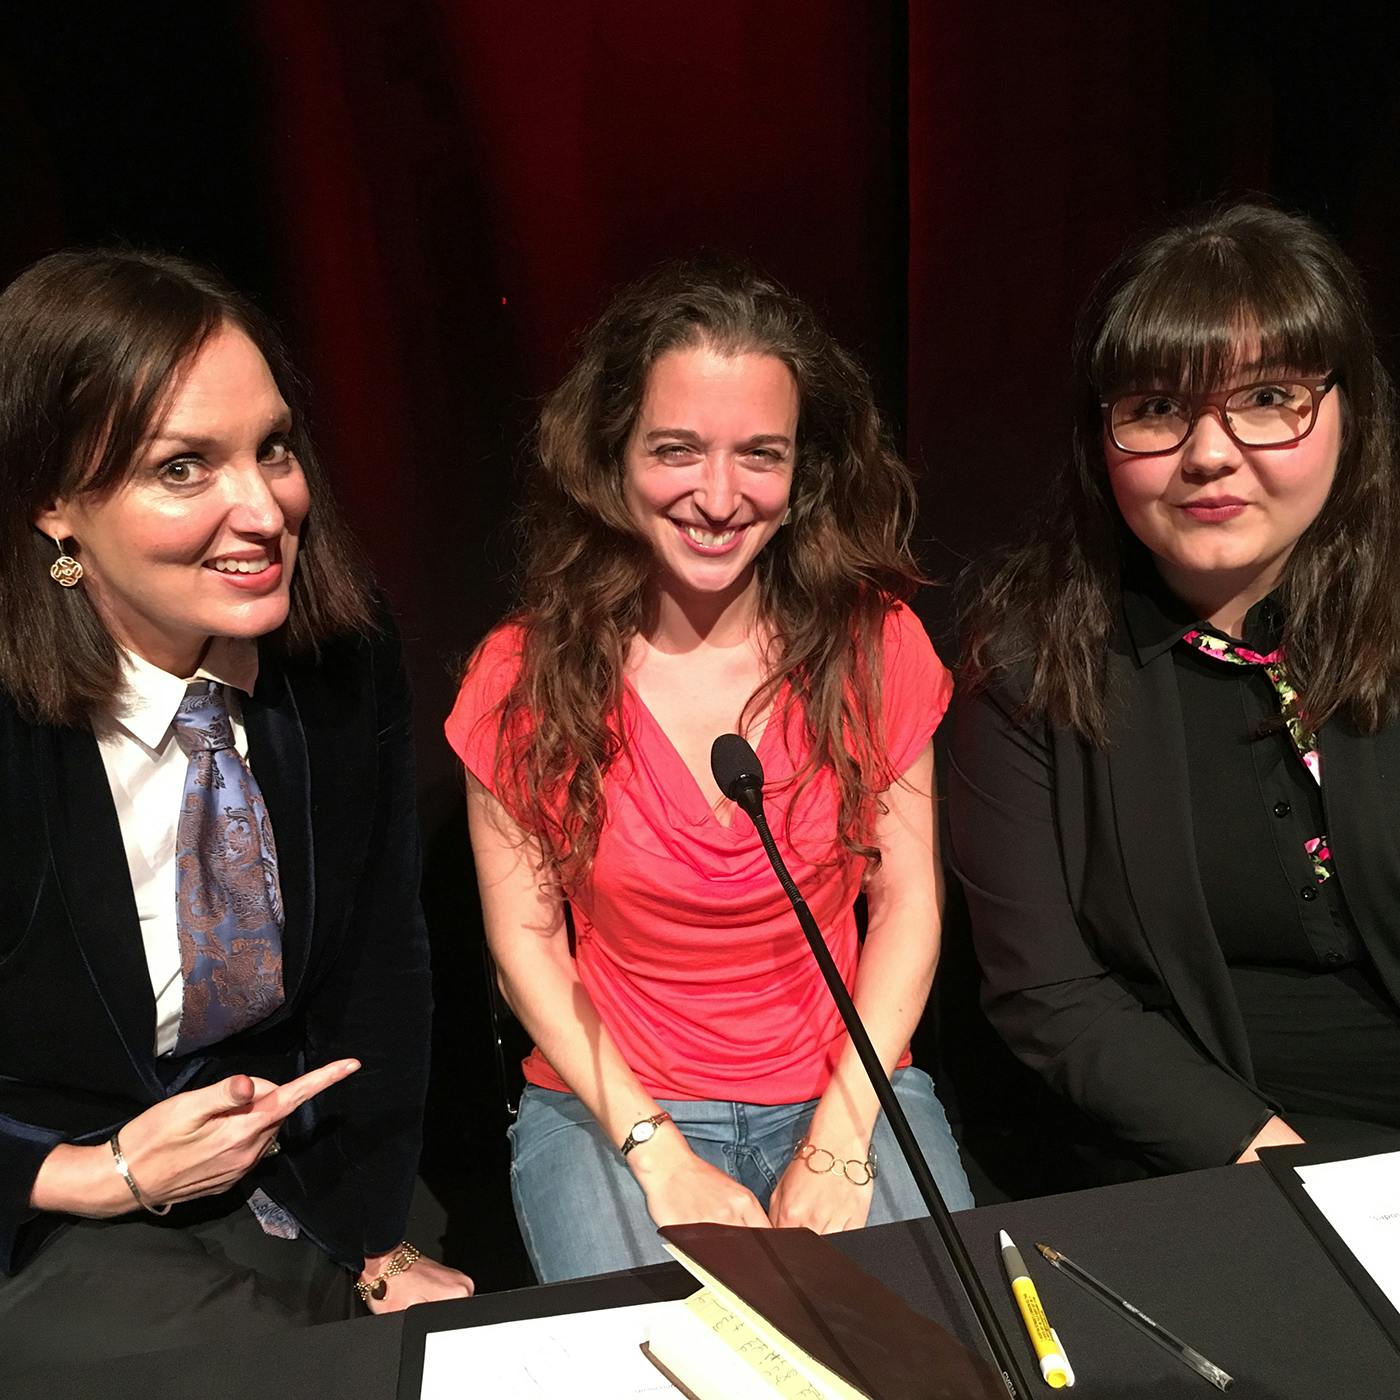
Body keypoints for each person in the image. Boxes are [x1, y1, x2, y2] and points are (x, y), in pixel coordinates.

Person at [447, 259, 973, 1283]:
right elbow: (523, 944)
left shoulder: (876, 645)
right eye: (677, 449)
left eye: (759, 454)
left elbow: (909, 902)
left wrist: (839, 1139)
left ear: (802, 470)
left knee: (932, 1340)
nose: (719, 496)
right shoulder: (520, 674)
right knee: (668, 1353)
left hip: (846, 1086)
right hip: (614, 1103)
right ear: (613, 455)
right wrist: (658, 1156)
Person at [0, 248, 472, 1370]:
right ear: (53, 505)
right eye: (183, 468)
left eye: (274, 448)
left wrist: (377, 1233)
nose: (263, 509)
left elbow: (379, 968)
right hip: (50, 1201)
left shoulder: (339, 657)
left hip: (296, 1175)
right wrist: (93, 1173)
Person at [949, 203, 1400, 1178]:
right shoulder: (1028, 664)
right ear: (1098, 438)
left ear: (1348, 411)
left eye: (1267, 397)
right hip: (1206, 1159)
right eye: (1156, 408)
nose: (1208, 452)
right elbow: (1048, 992)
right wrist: (1292, 1179)